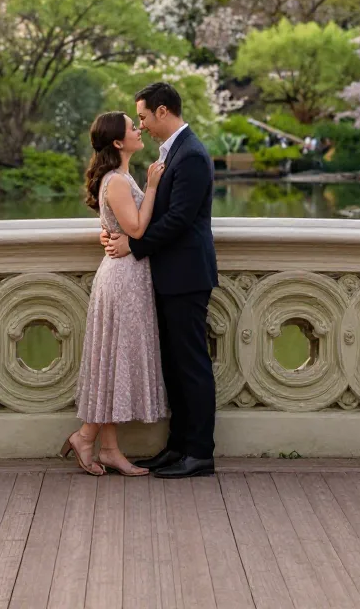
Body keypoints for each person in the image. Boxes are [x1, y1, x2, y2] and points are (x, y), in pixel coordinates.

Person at [102, 81, 217, 479]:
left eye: (145, 116)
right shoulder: (174, 153)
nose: (143, 124)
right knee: (175, 365)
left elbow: (179, 220)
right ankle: (178, 446)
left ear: (164, 111)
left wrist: (133, 248)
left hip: (186, 275)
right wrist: (114, 232)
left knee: (192, 365)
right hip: (170, 275)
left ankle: (200, 452)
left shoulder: (193, 156)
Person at [62, 111, 169, 476]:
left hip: (126, 276)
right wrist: (153, 185)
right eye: (131, 126)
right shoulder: (119, 181)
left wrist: (108, 232)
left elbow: (117, 226)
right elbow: (137, 229)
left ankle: (107, 448)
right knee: (115, 361)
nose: (139, 129)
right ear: (119, 143)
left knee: (114, 361)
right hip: (123, 280)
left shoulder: (118, 178)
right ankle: (87, 437)